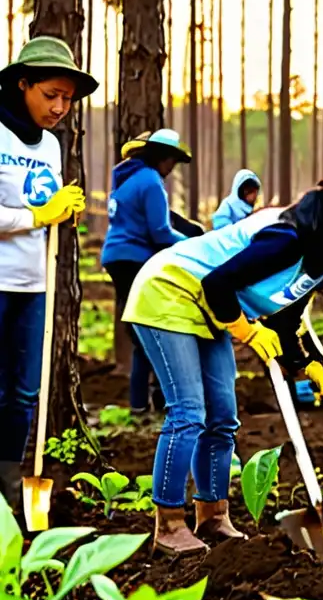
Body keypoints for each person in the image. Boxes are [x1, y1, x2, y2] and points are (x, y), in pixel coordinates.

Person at [122, 163, 323, 554]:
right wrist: (247, 330)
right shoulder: (287, 237)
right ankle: (169, 524)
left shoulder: (321, 254)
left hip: (209, 308)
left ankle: (213, 515)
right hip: (169, 291)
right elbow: (217, 283)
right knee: (189, 411)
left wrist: (304, 363)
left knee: (222, 416)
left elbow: (286, 318)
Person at [0, 36, 97, 507]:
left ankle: (12, 486)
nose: (60, 107)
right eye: (50, 95)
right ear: (23, 84)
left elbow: (46, 205)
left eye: (68, 98)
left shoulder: (53, 147)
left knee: (22, 393)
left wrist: (63, 212)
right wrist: (38, 216)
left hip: (33, 283)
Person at [101, 129, 193, 414]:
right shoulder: (151, 181)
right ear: (161, 157)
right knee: (148, 331)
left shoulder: (127, 180)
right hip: (135, 260)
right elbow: (161, 232)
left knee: (141, 330)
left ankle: (143, 402)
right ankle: (148, 402)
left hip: (117, 258)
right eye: (171, 161)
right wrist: (196, 243)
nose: (171, 169)